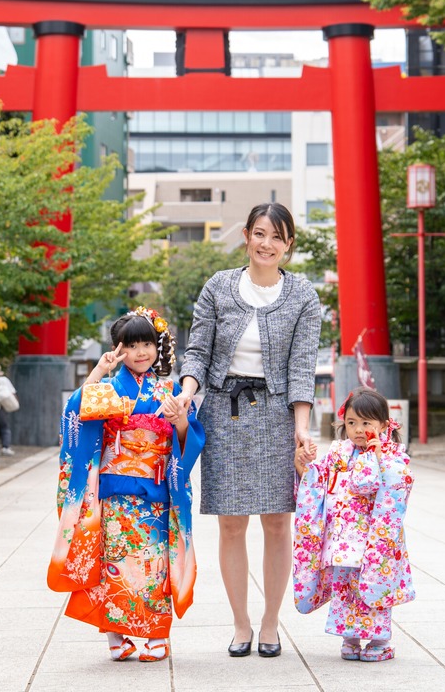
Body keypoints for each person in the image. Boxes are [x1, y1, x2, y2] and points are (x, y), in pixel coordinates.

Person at [176, 202, 322, 659]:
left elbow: (302, 367)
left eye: (277, 237)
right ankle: (240, 623)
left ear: (289, 245)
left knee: (279, 523)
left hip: (277, 414)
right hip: (223, 412)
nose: (267, 244)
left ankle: (270, 621)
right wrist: (186, 392)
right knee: (231, 524)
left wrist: (301, 428)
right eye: (260, 234)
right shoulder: (219, 286)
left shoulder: (303, 296)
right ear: (246, 235)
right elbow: (197, 349)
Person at [49, 307, 205, 663]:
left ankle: (154, 634)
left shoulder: (170, 388)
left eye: (147, 344)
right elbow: (76, 411)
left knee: (153, 565)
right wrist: (100, 369)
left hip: (155, 489)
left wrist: (180, 420)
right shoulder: (107, 387)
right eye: (131, 345)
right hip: (115, 491)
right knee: (114, 561)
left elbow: (187, 437)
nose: (140, 352)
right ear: (119, 349)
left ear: (157, 346)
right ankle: (116, 635)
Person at [292, 388, 415, 663]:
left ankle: (380, 639)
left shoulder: (394, 457)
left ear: (384, 425)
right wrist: (306, 465)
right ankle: (351, 637)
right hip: (343, 538)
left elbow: (388, 485)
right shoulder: (339, 453)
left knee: (374, 585)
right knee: (345, 587)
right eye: (351, 423)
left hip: (375, 538)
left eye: (366, 423)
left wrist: (377, 457)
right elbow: (318, 481)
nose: (358, 430)